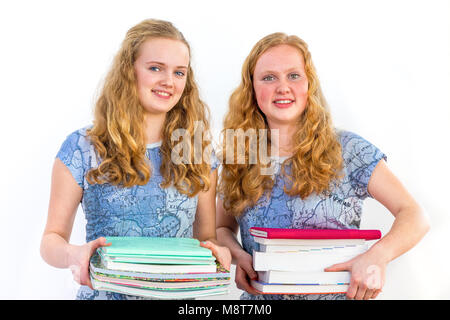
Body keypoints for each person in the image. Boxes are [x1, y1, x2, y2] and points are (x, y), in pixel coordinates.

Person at [215, 32, 430, 300]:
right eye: (269, 77)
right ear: (252, 88)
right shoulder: (239, 155)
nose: (283, 87)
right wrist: (237, 255)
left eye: (293, 75)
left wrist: (378, 256)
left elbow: (414, 215)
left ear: (309, 85)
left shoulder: (349, 149)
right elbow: (221, 229)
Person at [40, 19, 231, 300]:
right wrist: (75, 254)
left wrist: (219, 252)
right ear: (129, 71)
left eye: (179, 72)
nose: (168, 81)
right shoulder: (83, 147)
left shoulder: (198, 153)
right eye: (155, 68)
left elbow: (206, 239)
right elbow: (50, 240)